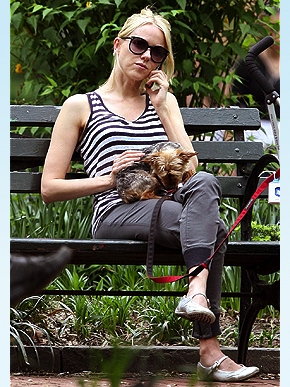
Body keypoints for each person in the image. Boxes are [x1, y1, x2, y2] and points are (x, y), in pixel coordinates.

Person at [41, 7, 259, 382]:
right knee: (214, 229)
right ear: (117, 45)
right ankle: (209, 351)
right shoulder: (81, 105)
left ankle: (196, 293)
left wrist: (165, 108)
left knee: (205, 183)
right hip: (116, 212)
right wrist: (109, 179)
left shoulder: (163, 103)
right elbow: (49, 189)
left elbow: (190, 174)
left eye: (157, 52)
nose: (146, 56)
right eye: (139, 45)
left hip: (168, 208)